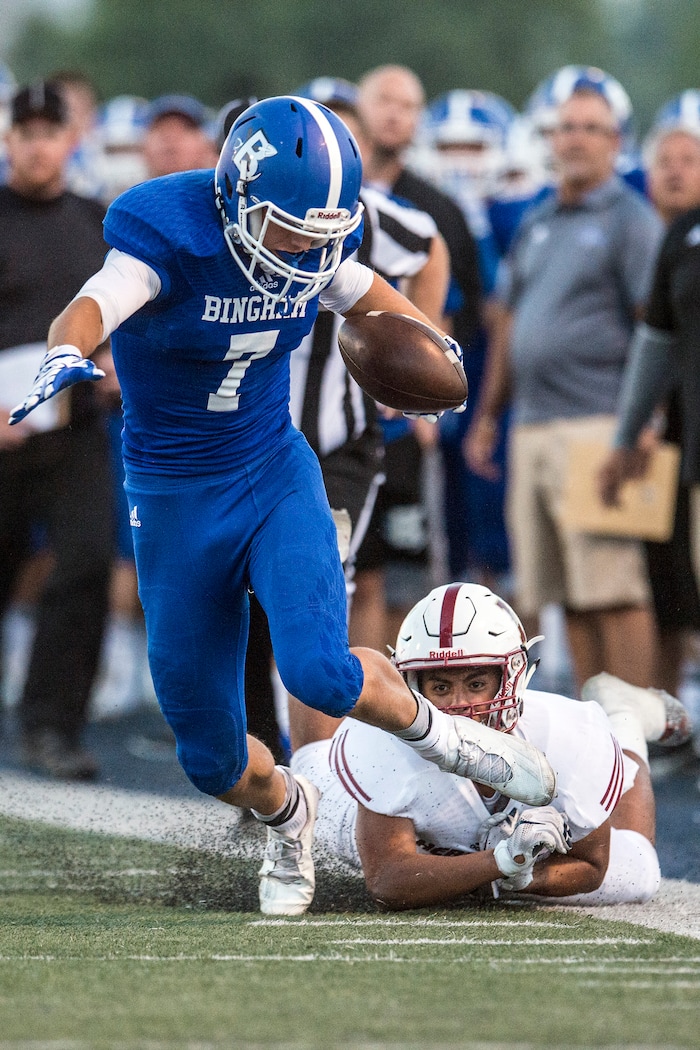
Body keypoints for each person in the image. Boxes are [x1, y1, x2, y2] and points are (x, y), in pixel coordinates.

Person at [9, 95, 555, 917]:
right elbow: (95, 304)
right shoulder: (170, 230)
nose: (305, 249)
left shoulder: (312, 234)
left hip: (272, 470)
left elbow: (377, 297)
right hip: (174, 499)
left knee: (318, 669)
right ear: (233, 196)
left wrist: (432, 355)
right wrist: (63, 351)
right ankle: (288, 813)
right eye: (288, 228)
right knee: (210, 756)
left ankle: (462, 745)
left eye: (319, 232)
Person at [291, 582, 691, 909]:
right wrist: (502, 861)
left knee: (641, 871)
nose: (460, 704)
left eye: (477, 683)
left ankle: (624, 716)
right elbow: (386, 879)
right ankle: (319, 586)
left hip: (496, 846)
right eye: (441, 686)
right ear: (412, 685)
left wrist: (522, 873)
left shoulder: (566, 732)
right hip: (398, 828)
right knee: (310, 775)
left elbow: (592, 864)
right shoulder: (384, 743)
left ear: (512, 677)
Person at [464, 84, 664, 694]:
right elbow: (509, 323)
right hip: (532, 423)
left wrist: (644, 423)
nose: (574, 139)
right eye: (565, 127)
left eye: (589, 128)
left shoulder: (632, 220)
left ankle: (637, 737)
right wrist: (488, 416)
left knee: (615, 589)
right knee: (563, 592)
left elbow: (654, 329)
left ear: (616, 143)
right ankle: (600, 726)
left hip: (600, 424)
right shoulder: (539, 218)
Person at [0, 81, 114, 778]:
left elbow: (125, 316)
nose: (39, 145)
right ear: (9, 140)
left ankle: (52, 725)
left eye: (52, 132)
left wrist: (112, 365)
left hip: (72, 431)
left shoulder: (98, 222)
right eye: (27, 132)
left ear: (72, 140)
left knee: (85, 562)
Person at [142, 93, 217, 179]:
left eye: (186, 128)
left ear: (209, 145)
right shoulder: (129, 191)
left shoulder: (229, 190)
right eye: (161, 128)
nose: (171, 137)